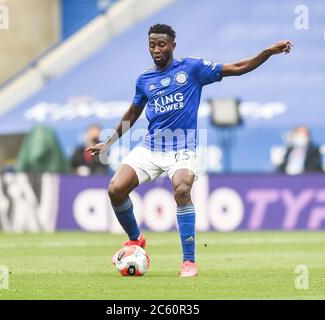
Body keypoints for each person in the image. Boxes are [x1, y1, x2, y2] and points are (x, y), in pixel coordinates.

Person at [86, 24, 293, 277]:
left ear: (173, 44)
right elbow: (132, 113)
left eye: (161, 44)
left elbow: (237, 68)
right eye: (152, 45)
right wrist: (108, 142)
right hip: (151, 147)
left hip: (183, 147)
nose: (156, 50)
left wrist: (268, 52)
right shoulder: (144, 80)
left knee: (182, 189)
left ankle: (188, 262)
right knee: (115, 190)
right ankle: (136, 239)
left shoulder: (192, 69)